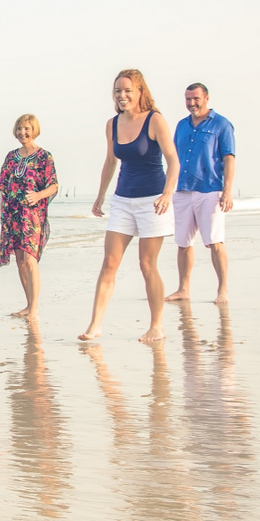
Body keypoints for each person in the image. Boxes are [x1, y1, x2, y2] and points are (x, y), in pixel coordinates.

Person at [81, 70, 179, 343]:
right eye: (117, 91)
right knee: (109, 263)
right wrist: (100, 196)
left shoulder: (155, 120)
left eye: (127, 91)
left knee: (147, 264)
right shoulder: (112, 124)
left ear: (139, 91)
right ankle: (95, 325)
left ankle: (156, 325)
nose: (122, 96)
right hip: (123, 200)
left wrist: (168, 194)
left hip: (153, 201)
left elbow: (173, 161)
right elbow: (111, 161)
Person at [0, 114, 59, 318]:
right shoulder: (11, 157)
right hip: (12, 214)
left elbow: (54, 185)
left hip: (32, 215)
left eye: (27, 129)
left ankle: (35, 308)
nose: (23, 133)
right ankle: (29, 305)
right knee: (20, 260)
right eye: (20, 129)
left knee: (31, 260)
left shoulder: (44, 156)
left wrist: (39, 194)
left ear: (34, 130)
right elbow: (2, 183)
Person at [164, 83, 235, 303]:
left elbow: (229, 158)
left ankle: (222, 289)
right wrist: (167, 190)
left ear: (206, 98)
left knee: (214, 241)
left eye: (196, 98)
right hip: (183, 190)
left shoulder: (222, 125)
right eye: (188, 99)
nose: (192, 103)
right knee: (183, 243)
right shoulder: (181, 125)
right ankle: (183, 289)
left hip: (211, 190)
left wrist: (228, 191)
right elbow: (173, 159)